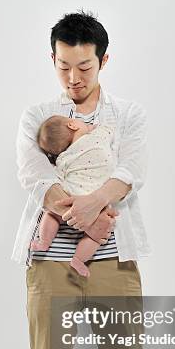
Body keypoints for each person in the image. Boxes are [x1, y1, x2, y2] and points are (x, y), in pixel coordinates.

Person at [11, 9, 162, 349]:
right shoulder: (39, 117)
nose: (73, 78)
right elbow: (34, 175)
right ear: (52, 59)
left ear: (103, 61)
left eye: (84, 67)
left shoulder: (128, 115)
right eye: (63, 66)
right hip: (51, 258)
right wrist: (69, 207)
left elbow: (131, 170)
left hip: (113, 256)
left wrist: (95, 201)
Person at [31, 114, 116, 277]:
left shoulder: (63, 157)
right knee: (96, 236)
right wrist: (93, 128)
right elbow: (109, 128)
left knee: (51, 213)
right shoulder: (97, 137)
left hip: (70, 195)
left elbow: (58, 176)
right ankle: (78, 259)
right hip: (95, 198)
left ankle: (44, 242)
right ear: (73, 125)